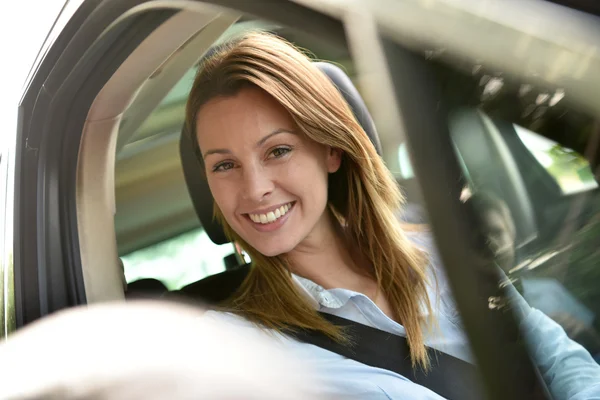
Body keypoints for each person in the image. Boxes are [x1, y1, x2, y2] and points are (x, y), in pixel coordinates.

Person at [185, 31, 600, 399]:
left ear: (331, 150)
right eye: (224, 165)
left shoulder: (440, 250)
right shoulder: (234, 344)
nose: (254, 188)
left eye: (278, 151)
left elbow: (555, 356)